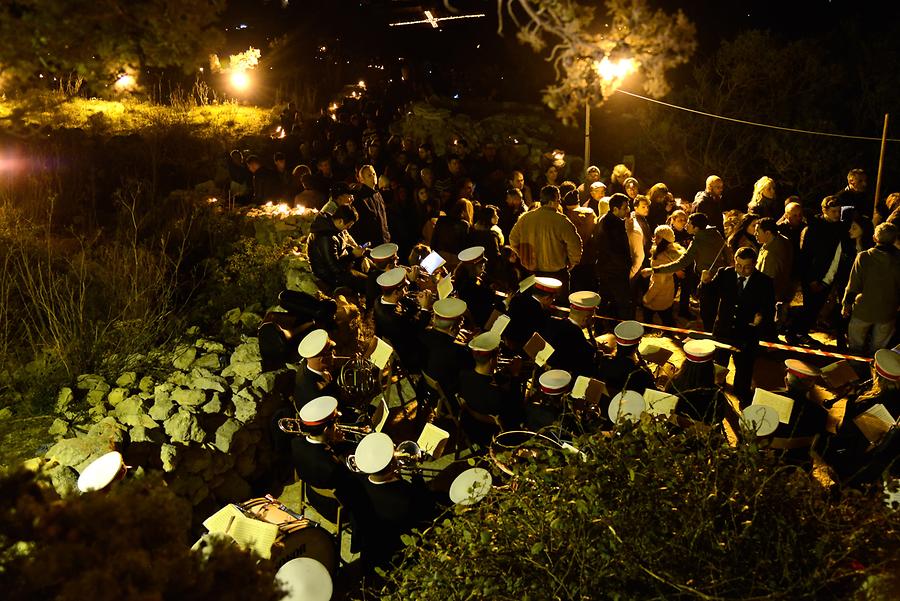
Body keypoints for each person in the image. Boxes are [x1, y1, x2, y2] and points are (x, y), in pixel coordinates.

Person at [699, 246, 775, 403]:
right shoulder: (725, 273)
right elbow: (708, 295)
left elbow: (769, 308)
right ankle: (715, 398)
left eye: (747, 267)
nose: (741, 270)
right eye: (738, 265)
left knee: (744, 371)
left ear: (754, 264)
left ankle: (743, 398)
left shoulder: (764, 282)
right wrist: (705, 283)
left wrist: (761, 317)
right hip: (723, 332)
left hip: (746, 335)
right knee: (718, 368)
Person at [353, 433, 436, 570]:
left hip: (371, 547)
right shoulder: (406, 496)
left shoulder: (357, 485)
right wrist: (417, 476)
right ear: (392, 464)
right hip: (397, 551)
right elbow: (427, 508)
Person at [642, 212, 731, 330]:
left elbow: (681, 263)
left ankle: (710, 334)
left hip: (707, 279)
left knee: (706, 311)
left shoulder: (697, 241)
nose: (686, 225)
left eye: (689, 223)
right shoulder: (715, 233)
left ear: (696, 228)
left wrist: (654, 270)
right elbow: (728, 255)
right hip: (722, 276)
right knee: (716, 308)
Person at [787, 196, 847, 346]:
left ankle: (801, 331)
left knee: (816, 307)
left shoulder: (838, 227)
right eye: (833, 211)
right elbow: (805, 256)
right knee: (810, 307)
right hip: (813, 275)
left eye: (839, 211)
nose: (837, 214)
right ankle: (794, 331)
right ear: (824, 210)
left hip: (829, 274)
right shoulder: (813, 228)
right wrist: (811, 279)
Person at [509, 185, 582, 296]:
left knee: (534, 305)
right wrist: (572, 262)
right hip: (557, 274)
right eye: (558, 200)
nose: (559, 203)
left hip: (533, 273)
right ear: (553, 201)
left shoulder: (526, 218)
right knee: (558, 307)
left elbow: (513, 239)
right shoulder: (561, 220)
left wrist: (524, 255)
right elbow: (575, 244)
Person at [842, 223, 900, 355]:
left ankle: (855, 371)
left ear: (875, 238)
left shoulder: (864, 257)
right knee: (879, 352)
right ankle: (873, 373)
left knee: (855, 347)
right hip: (888, 312)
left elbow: (853, 285)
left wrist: (847, 305)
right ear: (894, 240)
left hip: (863, 310)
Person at [458, 331, 525, 435]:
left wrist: (503, 373)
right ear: (491, 361)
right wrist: (515, 375)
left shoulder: (463, 375)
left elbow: (483, 381)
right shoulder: (495, 394)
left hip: (471, 428)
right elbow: (517, 411)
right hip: (491, 433)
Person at [373, 267, 433, 373]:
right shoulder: (394, 319)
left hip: (404, 337)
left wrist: (418, 299)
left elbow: (407, 304)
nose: (406, 290)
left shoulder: (380, 300)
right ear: (396, 292)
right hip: (411, 354)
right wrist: (425, 308)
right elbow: (417, 328)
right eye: (404, 288)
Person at [308, 204, 368, 295]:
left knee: (372, 265)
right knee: (368, 284)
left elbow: (344, 246)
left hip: (342, 265)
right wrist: (353, 255)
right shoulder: (325, 237)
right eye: (348, 226)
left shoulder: (334, 228)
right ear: (340, 221)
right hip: (330, 276)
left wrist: (361, 257)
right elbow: (334, 268)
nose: (348, 229)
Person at [420, 297, 474, 398]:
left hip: (425, 384)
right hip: (446, 392)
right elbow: (472, 366)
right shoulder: (456, 350)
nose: (461, 326)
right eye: (460, 323)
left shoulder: (425, 334)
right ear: (451, 328)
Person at [592, 193, 635, 319]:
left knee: (605, 300)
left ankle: (602, 327)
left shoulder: (607, 220)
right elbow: (614, 249)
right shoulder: (613, 225)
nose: (628, 210)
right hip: (615, 271)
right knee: (621, 302)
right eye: (625, 208)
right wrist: (626, 265)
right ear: (615, 209)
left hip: (607, 268)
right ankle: (624, 331)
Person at [668, 339, 725, 423]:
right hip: (705, 434)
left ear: (685, 364)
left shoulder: (673, 384)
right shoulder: (716, 393)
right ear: (710, 368)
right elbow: (719, 418)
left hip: (675, 431)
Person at [545, 291, 601, 377]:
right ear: (586, 318)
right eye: (592, 316)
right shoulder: (583, 345)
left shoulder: (553, 324)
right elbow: (588, 371)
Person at [596, 320, 655, 396]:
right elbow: (653, 394)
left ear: (617, 343)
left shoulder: (604, 362)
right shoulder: (640, 374)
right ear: (636, 346)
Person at [754, 217, 794, 326]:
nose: (755, 234)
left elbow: (766, 278)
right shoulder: (781, 240)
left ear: (767, 233)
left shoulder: (771, 254)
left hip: (772, 295)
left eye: (757, 231)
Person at [642, 226, 684, 326]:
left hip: (658, 296)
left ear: (664, 240)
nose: (654, 239)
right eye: (655, 236)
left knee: (648, 314)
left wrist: (646, 298)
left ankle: (647, 330)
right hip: (668, 291)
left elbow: (658, 283)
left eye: (658, 237)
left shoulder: (661, 257)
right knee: (667, 315)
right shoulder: (670, 253)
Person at [505, 276, 560, 350]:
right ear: (546, 298)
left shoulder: (516, 300)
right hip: (523, 351)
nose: (552, 302)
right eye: (553, 299)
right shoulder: (542, 314)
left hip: (506, 345)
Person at [293, 329, 340, 410]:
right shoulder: (314, 392)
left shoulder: (309, 361)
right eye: (331, 351)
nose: (335, 353)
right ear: (322, 360)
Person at [454, 246, 496, 329]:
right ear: (472, 269)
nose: (483, 270)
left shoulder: (464, 278)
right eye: (481, 267)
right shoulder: (470, 286)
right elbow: (487, 300)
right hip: (475, 322)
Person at [350, 164, 391, 247]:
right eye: (369, 175)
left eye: (374, 173)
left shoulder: (377, 194)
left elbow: (383, 218)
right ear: (362, 180)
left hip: (384, 240)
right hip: (372, 244)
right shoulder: (360, 199)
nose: (373, 176)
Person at [365, 242, 399, 311]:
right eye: (396, 261)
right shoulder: (385, 280)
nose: (396, 264)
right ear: (389, 265)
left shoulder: (375, 275)